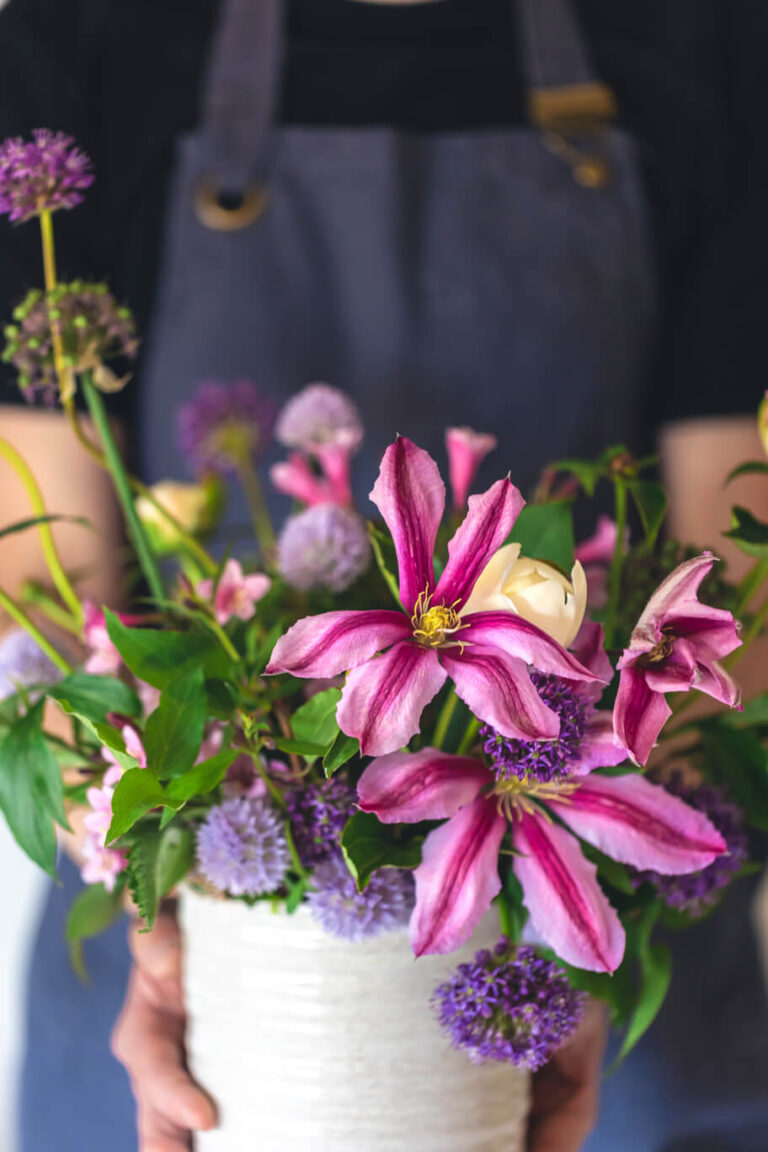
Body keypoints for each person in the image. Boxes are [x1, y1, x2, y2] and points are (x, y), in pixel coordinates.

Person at [1, 1, 767, 1150]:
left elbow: (729, 580)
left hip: (597, 930)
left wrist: (572, 919)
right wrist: (167, 919)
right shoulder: (83, 36)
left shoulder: (707, 35)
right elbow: (41, 582)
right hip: (191, 952)